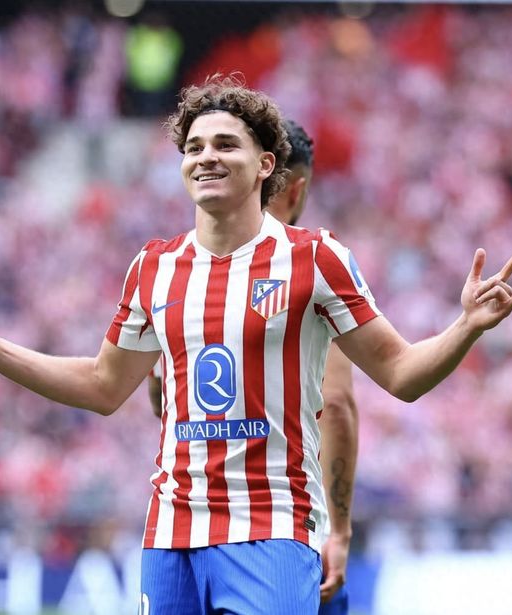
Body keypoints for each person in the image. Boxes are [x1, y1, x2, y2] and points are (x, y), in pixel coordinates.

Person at [0, 75, 512, 614]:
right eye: (194, 147)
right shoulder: (153, 267)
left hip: (272, 528)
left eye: (226, 144)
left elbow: (400, 374)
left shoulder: (315, 258)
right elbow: (103, 385)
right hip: (170, 535)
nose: (206, 157)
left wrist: (466, 326)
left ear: (265, 165)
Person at [146, 120, 354, 613]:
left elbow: (160, 398)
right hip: (282, 530)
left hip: (188, 524)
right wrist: (340, 529)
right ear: (297, 188)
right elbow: (337, 404)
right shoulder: (307, 265)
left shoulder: (181, 273)